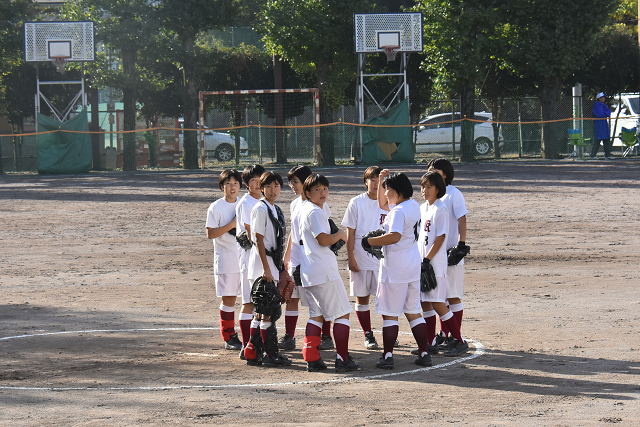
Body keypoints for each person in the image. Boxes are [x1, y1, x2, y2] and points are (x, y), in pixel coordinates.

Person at [364, 170, 433, 369]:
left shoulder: (399, 212)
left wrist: (370, 241)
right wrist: (385, 179)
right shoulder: (413, 205)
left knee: (390, 313)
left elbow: (394, 236)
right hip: (412, 265)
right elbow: (383, 205)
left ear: (398, 191)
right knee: (413, 311)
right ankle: (424, 352)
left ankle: (387, 356)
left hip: (395, 268)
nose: (385, 193)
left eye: (387, 189)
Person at [299, 174, 360, 372]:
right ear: (307, 193)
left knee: (316, 315)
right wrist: (341, 235)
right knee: (342, 314)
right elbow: (323, 240)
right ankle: (342, 359)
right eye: (317, 189)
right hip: (323, 271)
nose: (322, 192)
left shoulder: (307, 209)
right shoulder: (315, 212)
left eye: (324, 188)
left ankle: (312, 358)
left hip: (310, 270)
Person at [280, 165, 334, 351]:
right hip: (296, 258)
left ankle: (326, 336)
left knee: (320, 298)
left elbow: (324, 232)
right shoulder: (295, 204)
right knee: (292, 298)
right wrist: (286, 259)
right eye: (291, 182)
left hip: (311, 258)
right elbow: (294, 234)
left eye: (295, 181)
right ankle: (289, 336)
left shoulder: (320, 205)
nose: (292, 185)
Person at [418, 171, 468, 357]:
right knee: (425, 303)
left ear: (438, 189)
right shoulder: (423, 208)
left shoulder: (441, 209)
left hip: (435, 263)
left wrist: (427, 259)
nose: (425, 190)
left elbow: (440, 237)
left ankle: (459, 340)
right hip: (423, 262)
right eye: (423, 186)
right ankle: (430, 343)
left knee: (438, 303)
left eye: (429, 186)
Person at [243, 171, 291, 367]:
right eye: (269, 186)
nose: (273, 190)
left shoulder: (275, 209)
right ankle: (271, 355)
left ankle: (252, 352)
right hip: (262, 265)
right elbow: (258, 241)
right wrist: (267, 269)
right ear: (261, 188)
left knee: (261, 311)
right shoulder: (260, 209)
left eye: (276, 185)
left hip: (271, 263)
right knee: (268, 310)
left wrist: (279, 268)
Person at [341, 166, 387, 349]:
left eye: (379, 180)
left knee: (385, 298)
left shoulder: (389, 202)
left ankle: (389, 332)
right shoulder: (356, 202)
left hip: (384, 259)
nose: (376, 184)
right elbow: (350, 233)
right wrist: (351, 257)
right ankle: (368, 334)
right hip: (361, 257)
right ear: (366, 182)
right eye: (372, 180)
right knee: (362, 297)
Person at [205, 169, 243, 351]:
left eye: (235, 183)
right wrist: (231, 225)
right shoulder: (216, 207)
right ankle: (229, 336)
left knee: (249, 299)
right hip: (226, 259)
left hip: (244, 259)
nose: (232, 187)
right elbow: (211, 233)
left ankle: (249, 335)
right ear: (222, 186)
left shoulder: (243, 204)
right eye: (228, 183)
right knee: (229, 299)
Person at [235, 164, 265, 358]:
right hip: (249, 257)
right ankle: (247, 345)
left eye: (260, 179)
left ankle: (256, 342)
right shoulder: (246, 203)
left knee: (261, 302)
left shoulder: (264, 201)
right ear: (246, 184)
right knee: (248, 302)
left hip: (261, 257)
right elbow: (251, 232)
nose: (257, 183)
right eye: (253, 180)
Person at [590, 92, 613, 160]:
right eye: (602, 97)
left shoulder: (604, 105)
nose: (604, 98)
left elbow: (608, 112)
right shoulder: (596, 105)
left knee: (606, 140)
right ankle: (593, 155)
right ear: (599, 98)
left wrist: (605, 113)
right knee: (598, 139)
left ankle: (607, 155)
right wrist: (604, 113)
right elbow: (600, 114)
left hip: (604, 123)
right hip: (599, 124)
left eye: (604, 97)